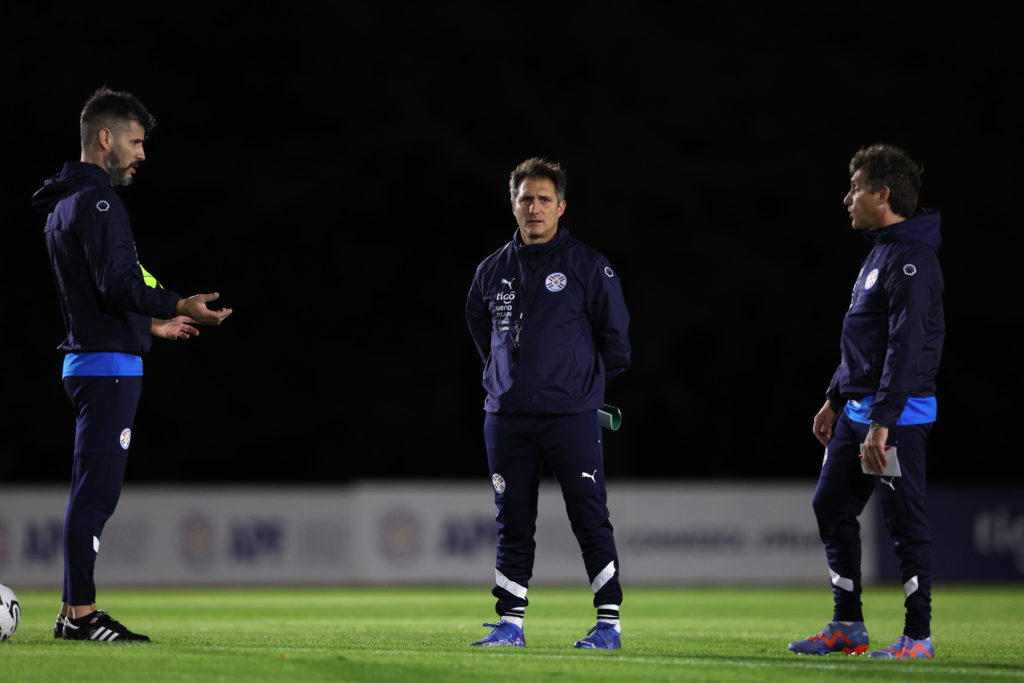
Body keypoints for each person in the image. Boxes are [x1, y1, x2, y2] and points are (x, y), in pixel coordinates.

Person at [32, 86, 233, 642]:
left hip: (93, 361)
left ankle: (75, 609)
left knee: (90, 492)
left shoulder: (65, 205)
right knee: (96, 494)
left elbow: (101, 295)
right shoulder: (99, 202)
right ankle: (80, 615)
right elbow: (118, 282)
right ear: (105, 138)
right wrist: (177, 303)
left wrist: (150, 322)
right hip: (106, 368)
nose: (142, 154)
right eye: (136, 141)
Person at [465, 157, 631, 649]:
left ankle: (608, 624)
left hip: (570, 417)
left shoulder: (587, 265)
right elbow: (481, 327)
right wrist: (505, 380)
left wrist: (580, 389)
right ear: (512, 205)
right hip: (507, 419)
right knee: (512, 519)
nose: (533, 207)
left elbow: (617, 342)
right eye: (525, 199)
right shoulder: (491, 271)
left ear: (560, 206)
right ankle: (509, 625)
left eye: (543, 199)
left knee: (588, 516)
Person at [789, 144, 944, 659]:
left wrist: (882, 422)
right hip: (858, 414)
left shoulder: (913, 261)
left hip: (894, 419)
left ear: (883, 193)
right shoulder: (881, 252)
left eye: (855, 188)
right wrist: (834, 398)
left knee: (905, 525)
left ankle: (917, 637)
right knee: (830, 506)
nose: (847, 198)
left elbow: (905, 349)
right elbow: (866, 341)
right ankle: (847, 626)